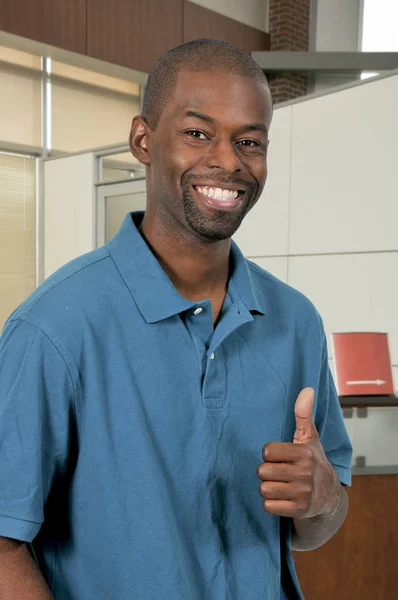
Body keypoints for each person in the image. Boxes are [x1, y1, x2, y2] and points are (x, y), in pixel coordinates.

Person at [0, 38, 352, 599]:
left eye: (250, 141)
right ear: (143, 140)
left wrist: (324, 497)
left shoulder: (295, 322)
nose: (228, 160)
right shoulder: (55, 327)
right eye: (197, 133)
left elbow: (313, 528)